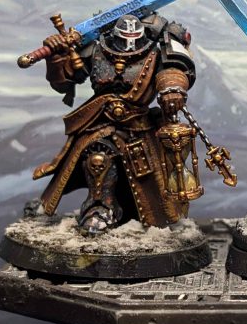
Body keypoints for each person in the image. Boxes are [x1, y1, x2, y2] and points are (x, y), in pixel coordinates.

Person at [30, 13, 199, 235]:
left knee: (153, 185)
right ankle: (99, 208)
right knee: (97, 158)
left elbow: (174, 69)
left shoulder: (156, 49)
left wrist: (172, 88)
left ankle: (153, 215)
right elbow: (63, 82)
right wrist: (55, 58)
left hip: (140, 127)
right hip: (99, 123)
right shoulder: (96, 48)